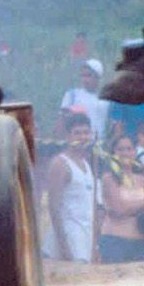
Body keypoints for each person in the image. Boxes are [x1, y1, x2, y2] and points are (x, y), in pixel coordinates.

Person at [42, 112, 99, 263]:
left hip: (85, 239)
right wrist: (64, 246)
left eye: (86, 133)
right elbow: (53, 207)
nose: (82, 137)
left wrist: (94, 245)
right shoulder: (60, 164)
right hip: (66, 241)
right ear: (68, 136)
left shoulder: (86, 163)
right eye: (77, 133)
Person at [95, 134, 144, 263]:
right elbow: (118, 210)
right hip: (115, 241)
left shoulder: (141, 179)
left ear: (135, 152)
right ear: (113, 153)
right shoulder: (108, 178)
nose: (125, 153)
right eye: (120, 149)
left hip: (139, 242)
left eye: (129, 149)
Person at [57, 59, 110, 141]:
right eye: (83, 76)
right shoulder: (72, 95)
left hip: (98, 144)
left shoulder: (107, 99)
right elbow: (62, 121)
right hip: (76, 142)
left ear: (98, 77)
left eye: (89, 76)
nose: (85, 79)